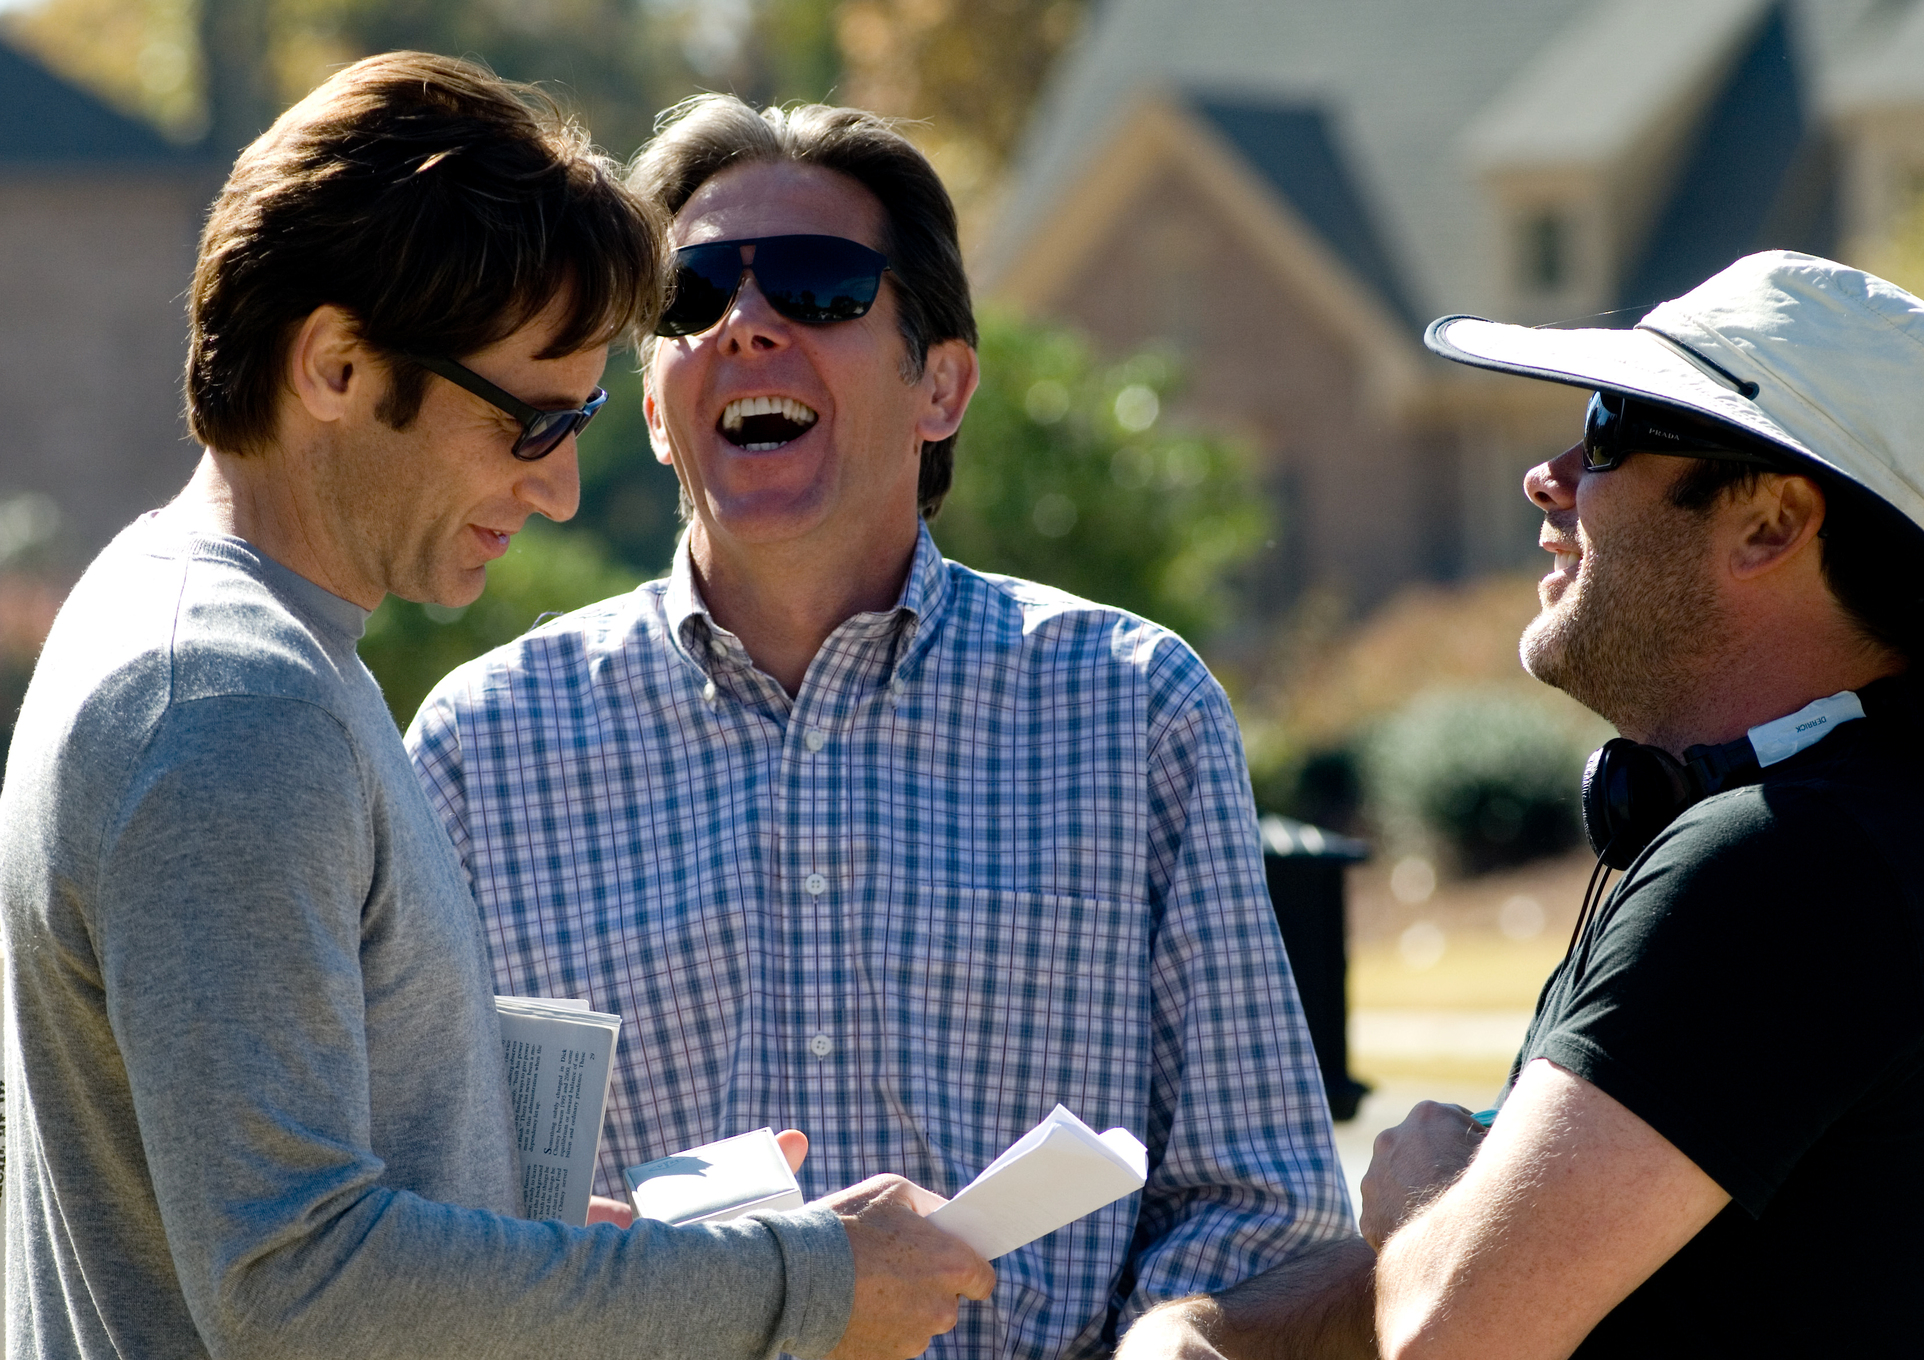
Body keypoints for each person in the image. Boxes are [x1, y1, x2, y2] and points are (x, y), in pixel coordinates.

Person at [0, 53, 993, 1360]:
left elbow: (315, 1235)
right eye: (530, 421)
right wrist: (799, 1286)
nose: (563, 490)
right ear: (337, 368)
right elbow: (296, 1284)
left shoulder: (225, 639)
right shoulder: (229, 704)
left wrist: (556, 1245)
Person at [405, 93, 1355, 1358]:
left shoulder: (1131, 711)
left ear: (942, 385)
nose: (745, 326)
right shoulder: (483, 748)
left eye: (816, 286)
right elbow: (418, 1228)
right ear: (649, 403)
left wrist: (1170, 1340)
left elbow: (1267, 1209)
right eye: (691, 302)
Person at [1118, 250, 1924, 1359]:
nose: (1546, 474)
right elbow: (1505, 1262)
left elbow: (1444, 1331)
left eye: (1611, 427)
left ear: (1766, 524)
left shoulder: (1792, 862)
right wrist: (1197, 1328)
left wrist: (1416, 1190)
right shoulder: (1830, 839)